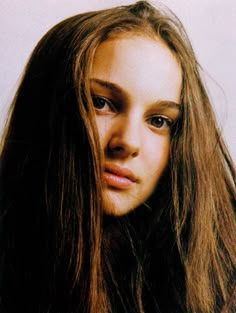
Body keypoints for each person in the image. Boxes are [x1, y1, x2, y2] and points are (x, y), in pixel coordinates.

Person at [0, 1, 235, 312]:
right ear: (45, 109)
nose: (128, 142)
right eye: (101, 102)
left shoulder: (219, 282)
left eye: (158, 120)